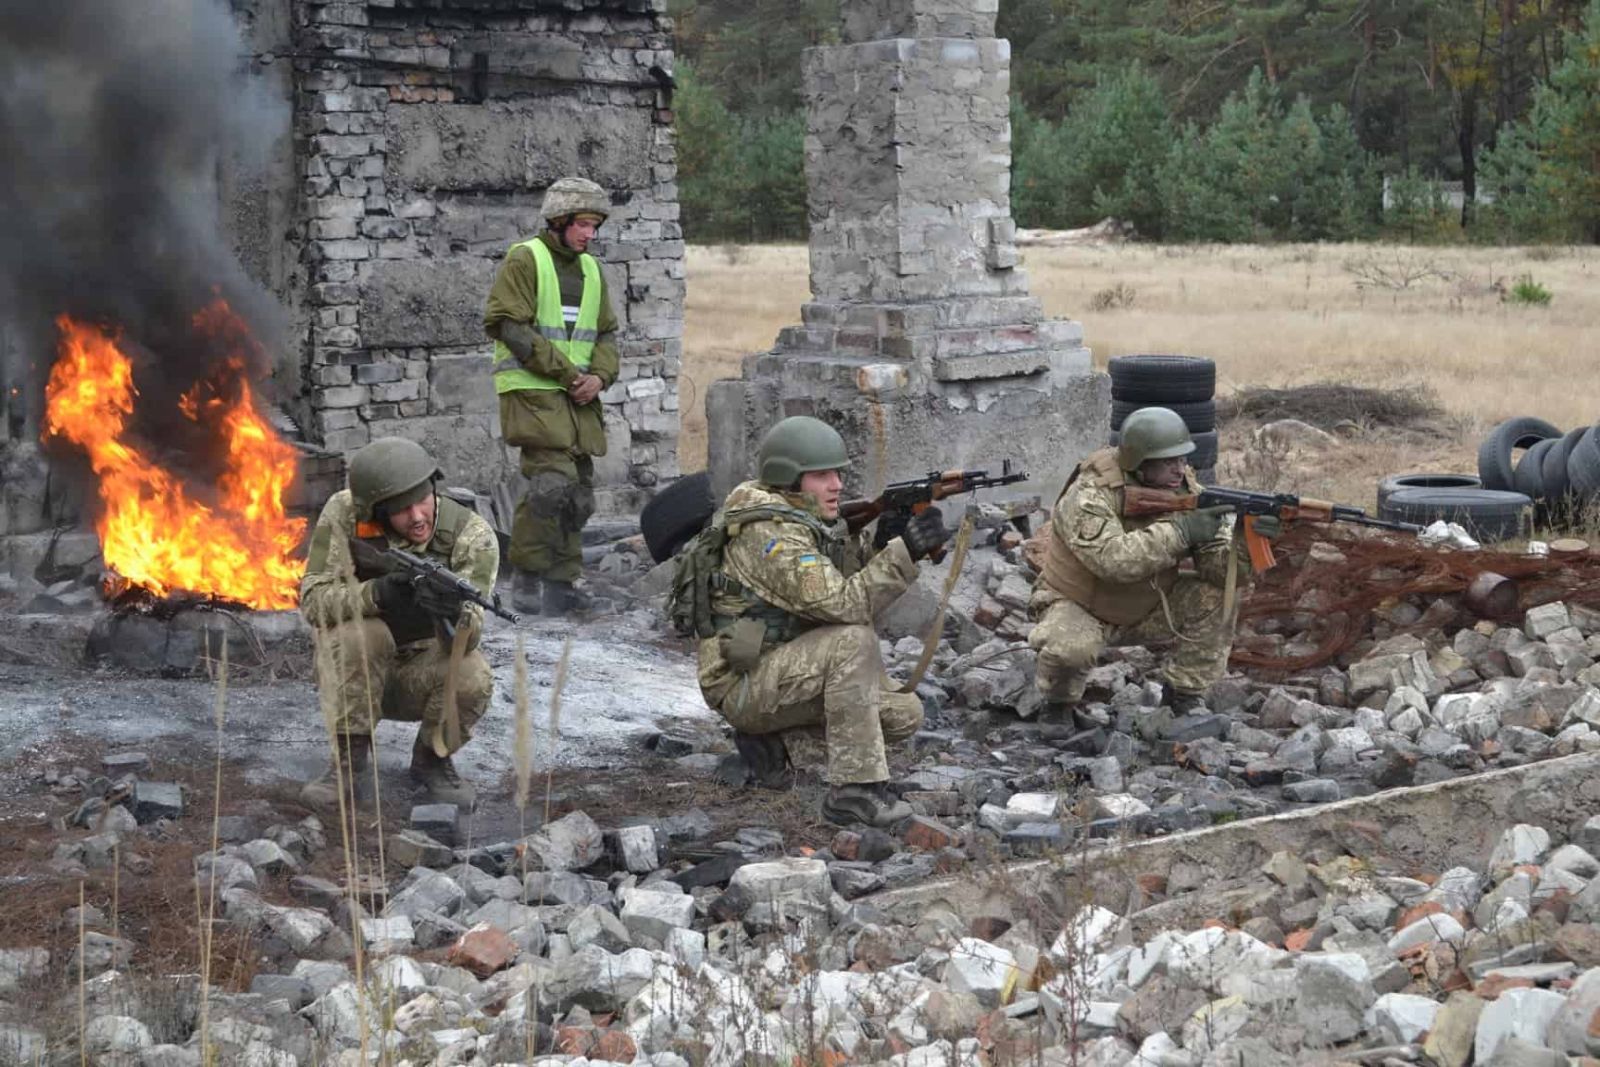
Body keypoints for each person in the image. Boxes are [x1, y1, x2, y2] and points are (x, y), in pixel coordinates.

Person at [695, 416, 952, 828]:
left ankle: (774, 745)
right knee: (852, 641)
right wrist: (903, 555)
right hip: (743, 683)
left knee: (904, 713)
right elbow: (846, 606)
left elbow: (840, 585)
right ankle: (855, 793)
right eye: (821, 475)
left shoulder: (808, 521)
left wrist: (881, 544)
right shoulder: (770, 535)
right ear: (789, 479)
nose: (836, 484)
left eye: (837, 473)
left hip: (784, 667)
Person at [1028, 406, 1279, 728]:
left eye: (1183, 459)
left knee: (1217, 595)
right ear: (1139, 462)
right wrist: (1181, 532)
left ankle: (1184, 696)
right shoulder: (1090, 494)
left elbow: (1218, 572)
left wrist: (1245, 540)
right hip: (1078, 604)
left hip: (1145, 606)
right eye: (1168, 461)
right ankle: (1057, 706)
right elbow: (1112, 561)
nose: (1181, 470)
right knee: (1070, 649)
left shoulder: (1184, 491)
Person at [299, 437, 499, 810]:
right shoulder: (345, 514)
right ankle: (349, 764)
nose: (417, 517)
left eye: (422, 500)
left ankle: (432, 761)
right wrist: (377, 594)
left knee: (475, 674)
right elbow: (313, 601)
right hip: (354, 671)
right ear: (374, 510)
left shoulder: (472, 537)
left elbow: (467, 642)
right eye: (401, 510)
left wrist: (448, 614)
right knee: (363, 634)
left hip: (421, 673)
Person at [484, 175, 620, 616]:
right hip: (534, 395)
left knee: (579, 494)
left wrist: (599, 377)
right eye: (583, 223)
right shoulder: (525, 259)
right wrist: (568, 374)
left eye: (595, 225)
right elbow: (510, 326)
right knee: (550, 486)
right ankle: (525, 574)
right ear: (559, 221)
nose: (590, 233)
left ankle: (562, 586)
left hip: (579, 399)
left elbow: (607, 335)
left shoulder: (593, 271)